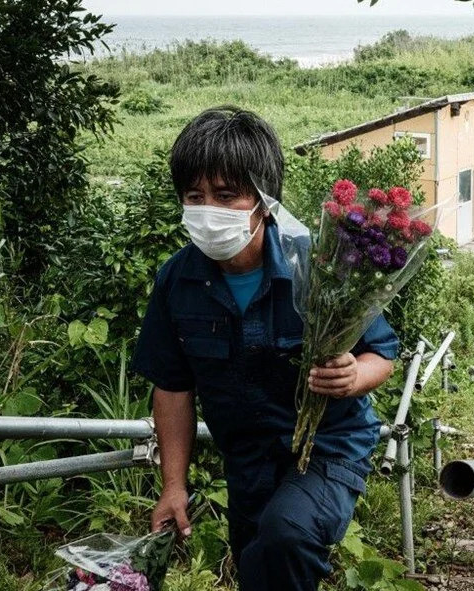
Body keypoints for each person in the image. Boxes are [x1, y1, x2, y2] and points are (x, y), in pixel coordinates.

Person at [129, 106, 399, 591]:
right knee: (258, 562)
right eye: (196, 196)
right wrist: (174, 486)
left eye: (226, 195)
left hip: (328, 448)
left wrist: (353, 376)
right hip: (246, 458)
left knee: (286, 536)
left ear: (263, 199)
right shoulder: (177, 279)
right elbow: (172, 389)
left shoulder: (317, 265)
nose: (209, 208)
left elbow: (382, 353)